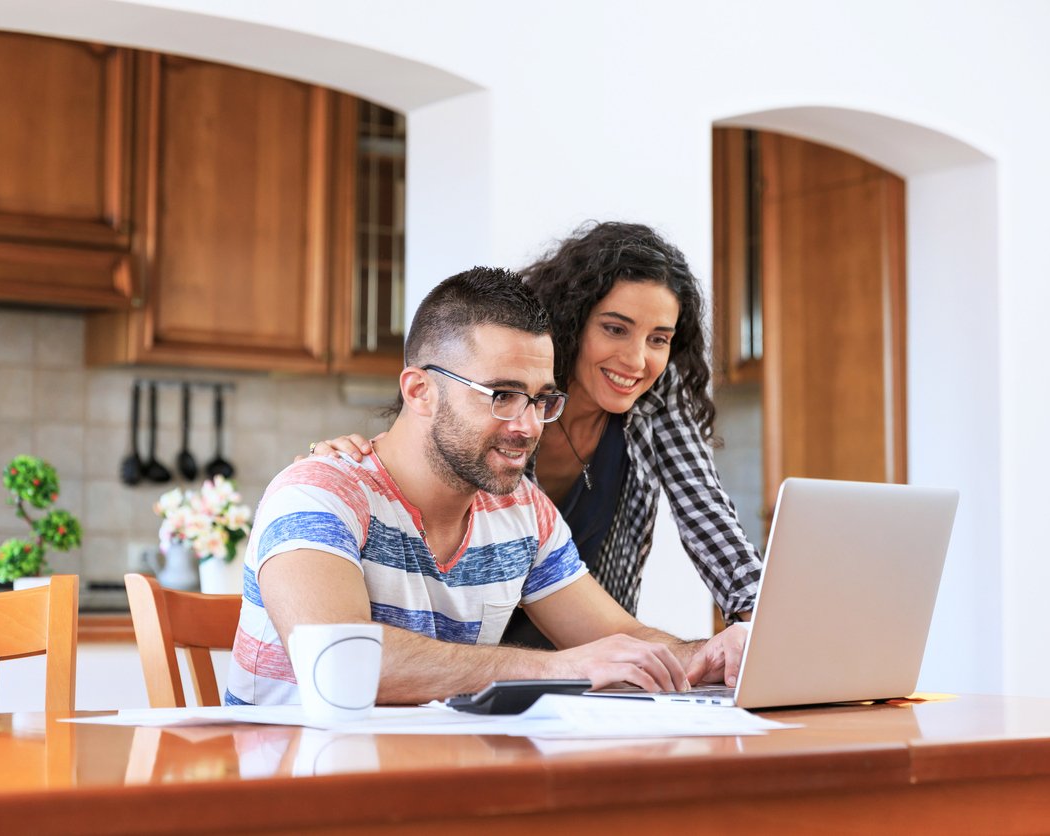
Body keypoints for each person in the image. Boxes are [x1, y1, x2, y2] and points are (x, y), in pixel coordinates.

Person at [227, 266, 749, 706]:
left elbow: (622, 638)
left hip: (435, 780)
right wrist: (561, 668)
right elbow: (336, 661)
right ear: (420, 390)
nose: (528, 426)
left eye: (541, 400)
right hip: (294, 783)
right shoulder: (318, 493)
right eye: (502, 395)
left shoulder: (520, 510)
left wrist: (707, 654)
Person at [309, 222, 763, 649]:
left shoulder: (655, 402)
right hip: (481, 656)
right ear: (574, 320)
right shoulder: (510, 408)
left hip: (589, 649)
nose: (636, 359)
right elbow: (432, 446)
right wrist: (342, 472)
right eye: (615, 329)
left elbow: (709, 519)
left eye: (659, 339)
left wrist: (761, 628)